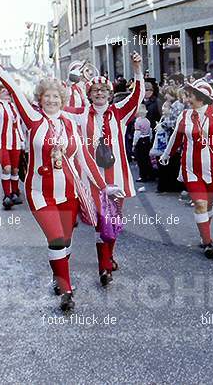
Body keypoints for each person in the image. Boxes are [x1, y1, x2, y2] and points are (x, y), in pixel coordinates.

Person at [0, 45, 122, 311]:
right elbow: (14, 90)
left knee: (65, 240)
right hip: (41, 193)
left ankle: (58, 275)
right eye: (47, 96)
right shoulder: (33, 120)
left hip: (69, 193)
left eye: (56, 97)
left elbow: (85, 159)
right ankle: (66, 288)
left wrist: (105, 186)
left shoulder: (70, 124)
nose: (51, 100)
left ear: (62, 100)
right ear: (40, 99)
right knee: (56, 239)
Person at [72, 52, 145, 287]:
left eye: (104, 90)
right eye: (95, 91)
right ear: (89, 94)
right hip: (93, 178)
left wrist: (137, 69)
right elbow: (55, 110)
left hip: (118, 177)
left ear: (110, 93)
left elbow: (137, 96)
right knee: (101, 221)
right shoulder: (81, 114)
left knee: (112, 220)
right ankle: (104, 267)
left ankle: (108, 257)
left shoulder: (118, 113)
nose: (100, 94)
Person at [159, 79, 213, 259]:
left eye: (190, 95)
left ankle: (204, 235)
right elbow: (176, 138)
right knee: (200, 203)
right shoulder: (184, 116)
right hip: (190, 168)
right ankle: (208, 242)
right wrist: (166, 155)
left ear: (200, 97)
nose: (187, 98)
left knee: (207, 204)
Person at [133, 104, 154, 182]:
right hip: (147, 139)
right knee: (147, 159)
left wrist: (134, 144)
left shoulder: (138, 121)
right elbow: (150, 131)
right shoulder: (147, 121)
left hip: (140, 140)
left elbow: (137, 134)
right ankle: (150, 174)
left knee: (140, 160)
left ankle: (143, 176)